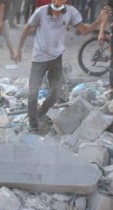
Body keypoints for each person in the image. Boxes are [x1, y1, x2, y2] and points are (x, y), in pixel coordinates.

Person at [16, 0, 100, 131]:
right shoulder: (41, 12)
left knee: (56, 93)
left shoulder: (71, 12)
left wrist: (99, 21)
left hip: (56, 59)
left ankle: (41, 112)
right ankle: (33, 124)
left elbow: (83, 30)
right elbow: (27, 28)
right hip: (39, 59)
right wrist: (19, 49)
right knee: (33, 94)